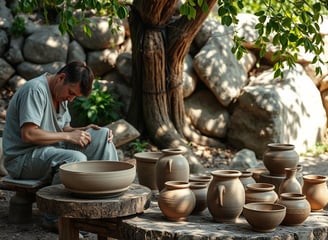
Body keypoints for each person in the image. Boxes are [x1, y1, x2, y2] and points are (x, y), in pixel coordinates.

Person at [2, 61, 118, 185]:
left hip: (52, 149)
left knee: (102, 135)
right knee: (75, 159)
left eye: (75, 96)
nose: (71, 99)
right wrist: (69, 136)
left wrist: (84, 129)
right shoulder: (35, 91)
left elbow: (63, 128)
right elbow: (29, 134)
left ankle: (109, 188)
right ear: (61, 78)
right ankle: (58, 201)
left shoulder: (60, 94)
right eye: (71, 93)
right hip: (22, 159)